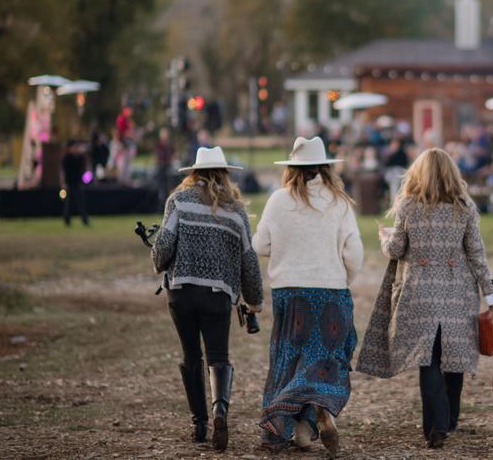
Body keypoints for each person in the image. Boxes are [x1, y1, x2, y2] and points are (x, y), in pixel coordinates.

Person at [357, 148, 493, 449]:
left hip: (419, 292)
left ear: (418, 174)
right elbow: (476, 252)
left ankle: (436, 427)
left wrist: (385, 240)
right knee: (454, 357)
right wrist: (488, 289)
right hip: (457, 292)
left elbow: (396, 250)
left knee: (429, 359)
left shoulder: (409, 206)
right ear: (452, 173)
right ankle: (448, 421)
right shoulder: (464, 207)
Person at [252, 136, 363, 456]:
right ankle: (316, 416)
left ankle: (284, 430)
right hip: (331, 291)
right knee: (325, 361)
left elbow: (260, 246)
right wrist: (343, 280)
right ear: (326, 169)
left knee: (290, 359)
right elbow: (353, 252)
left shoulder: (277, 200)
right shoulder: (339, 202)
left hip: (290, 292)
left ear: (292, 168)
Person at [151, 146, 264, 451]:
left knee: (191, 356)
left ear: (194, 173)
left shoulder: (178, 201)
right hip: (217, 294)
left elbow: (163, 248)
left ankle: (199, 424)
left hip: (181, 292)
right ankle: (220, 411)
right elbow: (248, 260)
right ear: (225, 175)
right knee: (218, 357)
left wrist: (156, 262)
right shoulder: (236, 210)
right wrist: (255, 300)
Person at [61, 140, 90, 226]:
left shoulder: (80, 157)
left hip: (77, 183)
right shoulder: (66, 158)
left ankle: (84, 220)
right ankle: (67, 220)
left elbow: (84, 167)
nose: (76, 149)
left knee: (81, 202)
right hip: (69, 183)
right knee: (68, 203)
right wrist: (63, 183)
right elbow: (63, 171)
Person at [154, 127, 175, 203]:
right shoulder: (159, 145)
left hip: (168, 167)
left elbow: (174, 153)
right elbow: (158, 156)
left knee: (169, 186)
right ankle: (161, 204)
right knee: (161, 188)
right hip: (161, 167)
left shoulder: (169, 144)